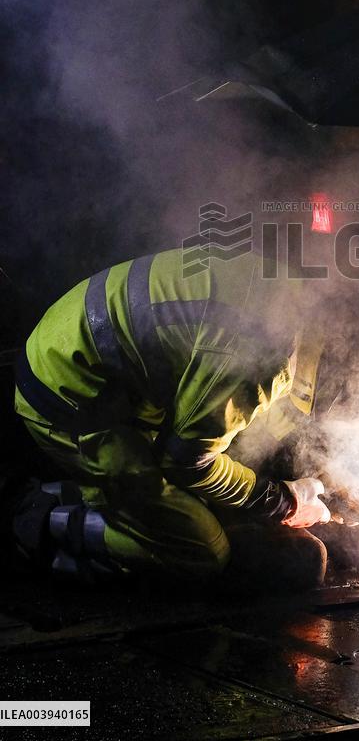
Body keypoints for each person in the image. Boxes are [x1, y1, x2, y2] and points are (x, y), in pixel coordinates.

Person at [9, 246, 331, 589]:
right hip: (70, 399)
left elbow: (254, 417)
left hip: (82, 362)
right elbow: (187, 462)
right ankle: (32, 527)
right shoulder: (266, 355)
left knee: (206, 494)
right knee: (202, 550)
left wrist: (319, 480)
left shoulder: (293, 300)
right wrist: (281, 501)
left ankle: (68, 494)